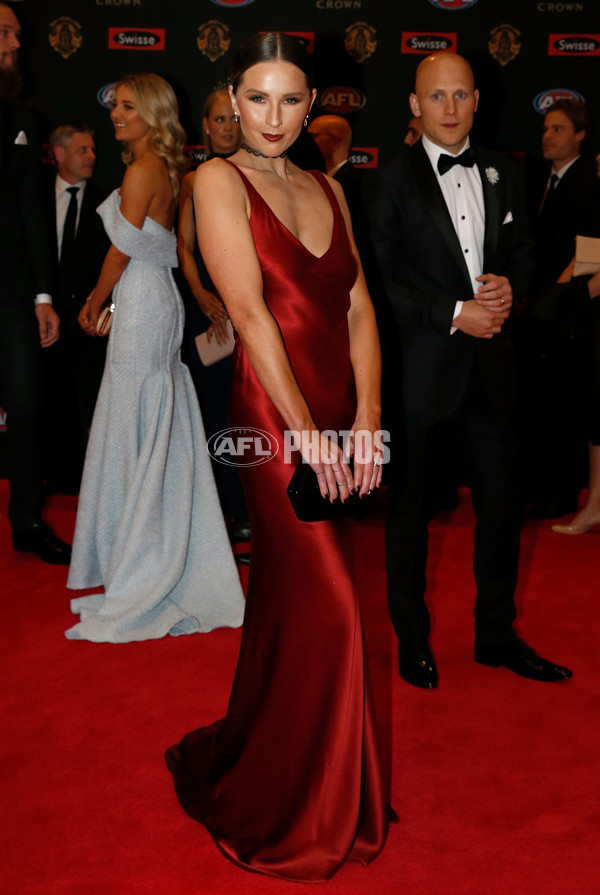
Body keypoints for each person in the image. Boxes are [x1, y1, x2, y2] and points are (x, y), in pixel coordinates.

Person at [165, 32, 389, 882]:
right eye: (256, 99)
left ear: (313, 107)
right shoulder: (216, 181)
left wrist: (367, 416)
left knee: (298, 609)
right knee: (333, 607)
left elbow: (361, 308)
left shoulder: (328, 185)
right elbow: (253, 319)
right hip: (277, 423)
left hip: (339, 409)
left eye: (291, 100)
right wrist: (311, 439)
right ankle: (306, 808)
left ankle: (287, 765)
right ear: (232, 100)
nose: (273, 117)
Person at [367, 53, 572, 688]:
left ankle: (496, 635)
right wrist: (454, 313)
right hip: (421, 375)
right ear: (414, 104)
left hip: (493, 373)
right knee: (409, 518)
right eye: (437, 97)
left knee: (504, 510)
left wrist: (512, 286)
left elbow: (526, 252)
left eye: (460, 95)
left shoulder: (504, 174)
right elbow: (379, 284)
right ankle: (411, 640)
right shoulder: (389, 183)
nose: (450, 109)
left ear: (478, 99)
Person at [65, 73, 245, 642]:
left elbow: (121, 253)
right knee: (144, 420)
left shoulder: (144, 169)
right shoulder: (163, 166)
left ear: (151, 112)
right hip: (151, 298)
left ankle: (140, 558)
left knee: (132, 420)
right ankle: (146, 548)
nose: (115, 115)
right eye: (114, 106)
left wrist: (96, 301)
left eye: (125, 107)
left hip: (141, 299)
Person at [0, 1, 71, 564]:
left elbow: (32, 212)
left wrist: (44, 295)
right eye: (4, 33)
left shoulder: (25, 117)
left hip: (12, 291)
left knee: (25, 403)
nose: (15, 43)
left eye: (16, 34)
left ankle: (25, 520)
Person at [177, 90, 249, 548]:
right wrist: (201, 293)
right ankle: (226, 513)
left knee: (253, 417)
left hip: (252, 313)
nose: (226, 127)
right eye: (218, 119)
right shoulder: (193, 179)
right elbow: (184, 246)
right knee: (215, 414)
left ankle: (253, 509)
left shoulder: (258, 175)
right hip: (209, 316)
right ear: (205, 124)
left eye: (233, 118)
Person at [524, 99, 600, 520]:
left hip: (572, 314)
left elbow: (591, 249)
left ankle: (564, 492)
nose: (548, 136)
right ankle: (544, 487)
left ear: (580, 135)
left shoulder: (589, 183)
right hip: (540, 312)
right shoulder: (540, 184)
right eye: (546, 129)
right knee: (545, 405)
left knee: (570, 407)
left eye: (558, 129)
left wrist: (560, 297)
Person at [42, 123, 111, 494]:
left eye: (93, 149)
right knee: (51, 398)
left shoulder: (106, 202)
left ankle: (92, 475)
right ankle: (56, 473)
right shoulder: (35, 199)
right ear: (60, 154)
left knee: (93, 398)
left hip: (90, 318)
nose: (92, 157)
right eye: (83, 150)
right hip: (44, 318)